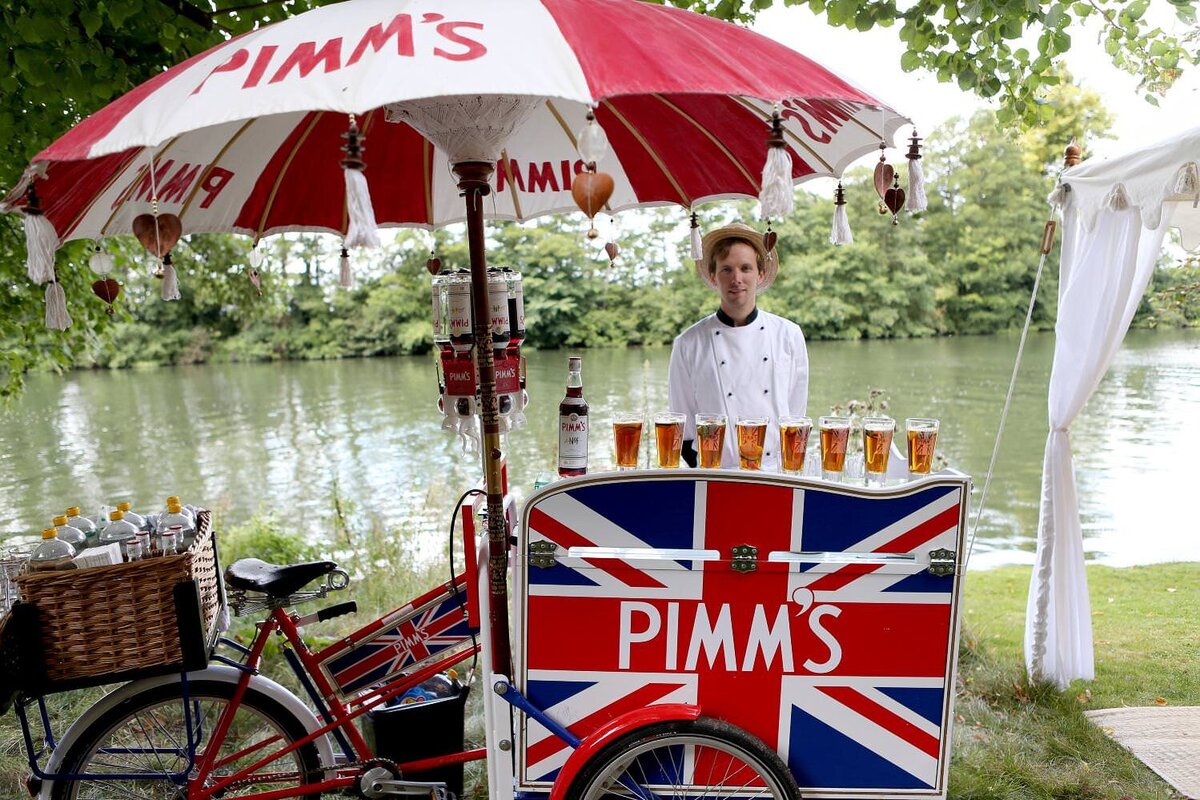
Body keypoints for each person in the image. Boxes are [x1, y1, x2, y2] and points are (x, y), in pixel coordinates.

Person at [667, 223, 808, 471]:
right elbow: (685, 431)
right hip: (715, 476)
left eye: (745, 268)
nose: (736, 279)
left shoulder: (789, 335)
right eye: (726, 270)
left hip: (778, 474)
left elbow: (796, 417)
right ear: (713, 277)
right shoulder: (688, 343)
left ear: (760, 274)